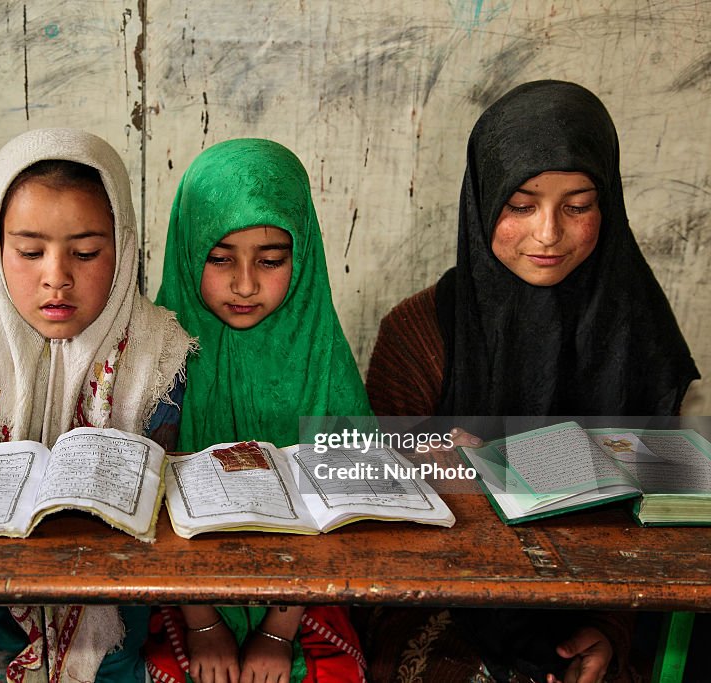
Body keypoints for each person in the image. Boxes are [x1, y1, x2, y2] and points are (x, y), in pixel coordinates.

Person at [365, 80, 700, 683]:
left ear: (609, 204)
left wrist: (609, 633)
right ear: (483, 200)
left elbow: (658, 518)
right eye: (520, 205)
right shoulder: (418, 334)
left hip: (601, 604)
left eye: (577, 205)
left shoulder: (641, 341)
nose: (548, 233)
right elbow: (385, 515)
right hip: (446, 603)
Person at [0, 127, 193, 683]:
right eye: (30, 251)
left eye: (86, 252)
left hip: (112, 624)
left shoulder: (159, 352)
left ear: (125, 245)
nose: (56, 278)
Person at [147, 138, 371, 683]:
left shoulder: (323, 358)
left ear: (305, 253)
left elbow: (346, 503)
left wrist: (277, 632)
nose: (244, 284)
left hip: (306, 592)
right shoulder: (152, 358)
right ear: (186, 249)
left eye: (271, 260)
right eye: (219, 258)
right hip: (179, 589)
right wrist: (202, 623)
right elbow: (144, 505)